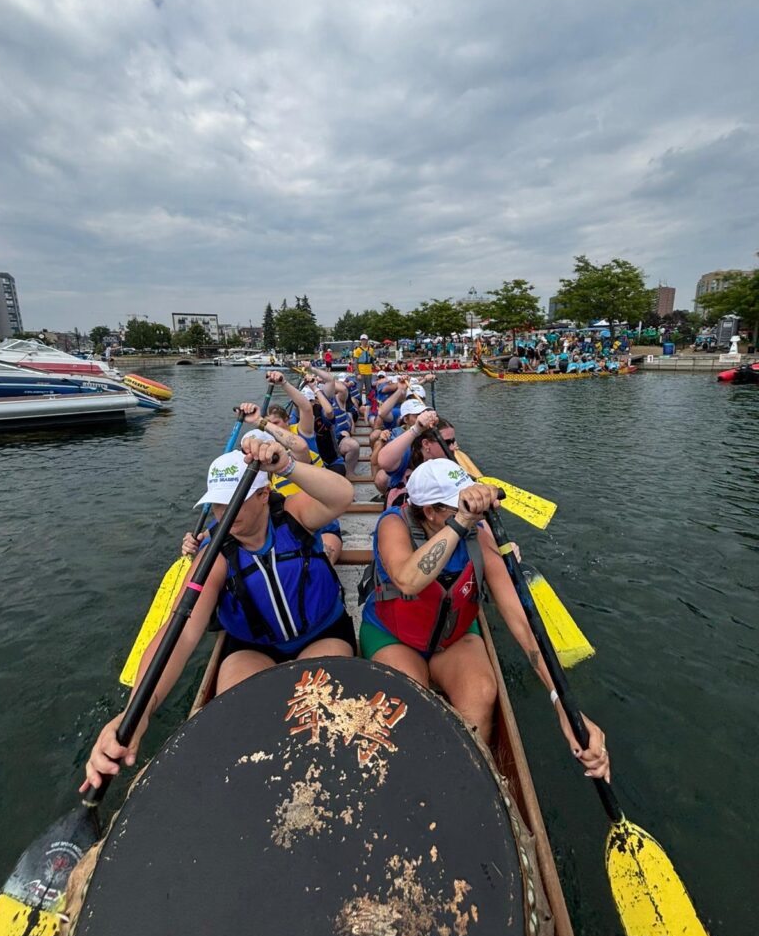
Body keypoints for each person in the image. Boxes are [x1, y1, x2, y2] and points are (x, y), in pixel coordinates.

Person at [81, 438, 355, 792]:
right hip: (253, 647)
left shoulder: (294, 516)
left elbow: (341, 496)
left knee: (316, 706)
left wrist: (286, 465)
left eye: (233, 502)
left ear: (261, 495)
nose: (223, 514)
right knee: (241, 712)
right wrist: (138, 711)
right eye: (216, 506)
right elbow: (181, 635)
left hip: (322, 633)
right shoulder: (215, 556)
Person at [359, 460, 610, 779]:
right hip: (394, 636)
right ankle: (410, 777)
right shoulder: (393, 524)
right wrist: (461, 520)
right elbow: (408, 580)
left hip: (454, 639)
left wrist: (563, 704)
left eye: (472, 504)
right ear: (430, 511)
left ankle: (464, 777)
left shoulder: (481, 535)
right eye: (459, 506)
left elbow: (523, 625)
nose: (474, 515)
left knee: (481, 692)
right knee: (406, 704)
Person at [352, 333, 377, 399]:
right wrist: (357, 373)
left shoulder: (371, 350)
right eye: (362, 340)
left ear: (367, 340)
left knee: (369, 389)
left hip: (368, 372)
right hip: (361, 372)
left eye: (365, 340)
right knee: (359, 389)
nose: (364, 341)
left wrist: (375, 366)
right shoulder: (357, 350)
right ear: (360, 340)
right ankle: (359, 403)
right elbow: (355, 363)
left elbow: (371, 360)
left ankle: (368, 404)